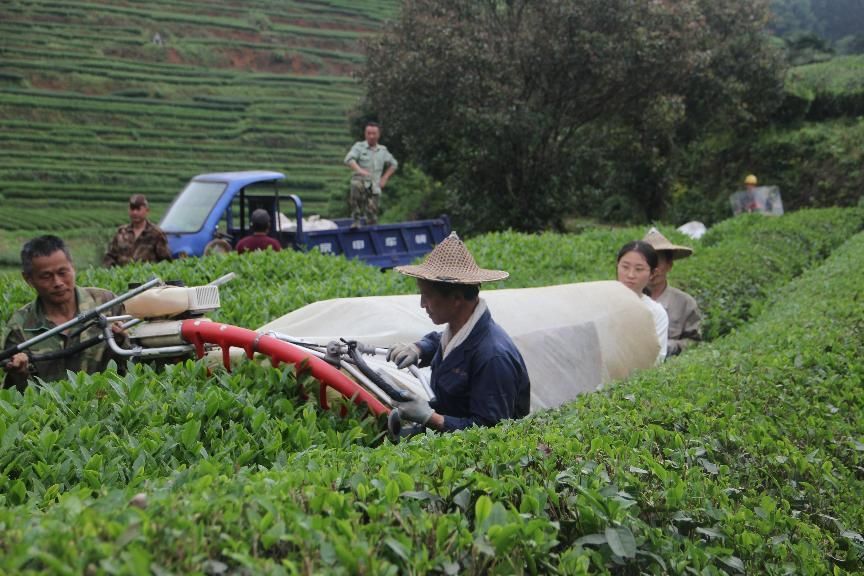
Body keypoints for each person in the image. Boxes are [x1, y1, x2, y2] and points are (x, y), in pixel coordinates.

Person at [386, 232, 530, 432]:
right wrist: (418, 348)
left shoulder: (493, 357)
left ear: (456, 299)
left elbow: (492, 431)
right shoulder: (460, 330)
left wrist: (430, 418)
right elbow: (443, 342)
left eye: (427, 295)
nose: (422, 304)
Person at [3, 236, 127, 391]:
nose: (58, 283)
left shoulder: (106, 303)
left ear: (73, 267)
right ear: (28, 279)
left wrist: (122, 340)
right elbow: (16, 398)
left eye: (63, 272)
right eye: (46, 276)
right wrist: (20, 374)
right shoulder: (20, 326)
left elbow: (136, 367)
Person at [643, 228, 702, 356]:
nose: (653, 269)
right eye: (648, 262)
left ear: (669, 265)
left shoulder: (685, 303)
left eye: (657, 262)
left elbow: (695, 342)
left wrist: (671, 346)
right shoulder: (628, 298)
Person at [616, 240, 668, 363]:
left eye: (639, 269)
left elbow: (657, 358)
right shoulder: (599, 300)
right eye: (625, 267)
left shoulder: (655, 312)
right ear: (617, 266)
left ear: (652, 273)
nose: (630, 275)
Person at [343, 121, 398, 227]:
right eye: (368, 133)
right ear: (365, 134)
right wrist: (360, 170)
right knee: (355, 184)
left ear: (379, 135)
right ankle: (356, 220)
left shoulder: (382, 150)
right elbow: (348, 159)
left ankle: (371, 227)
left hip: (374, 186)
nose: (371, 136)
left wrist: (385, 178)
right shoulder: (359, 147)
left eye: (374, 133)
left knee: (372, 215)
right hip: (361, 183)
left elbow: (394, 164)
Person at [103, 194, 172, 267]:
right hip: (122, 276)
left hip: (146, 276)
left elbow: (166, 262)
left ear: (147, 211)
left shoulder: (156, 234)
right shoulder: (121, 232)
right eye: (132, 209)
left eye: (138, 209)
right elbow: (109, 256)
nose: (135, 213)